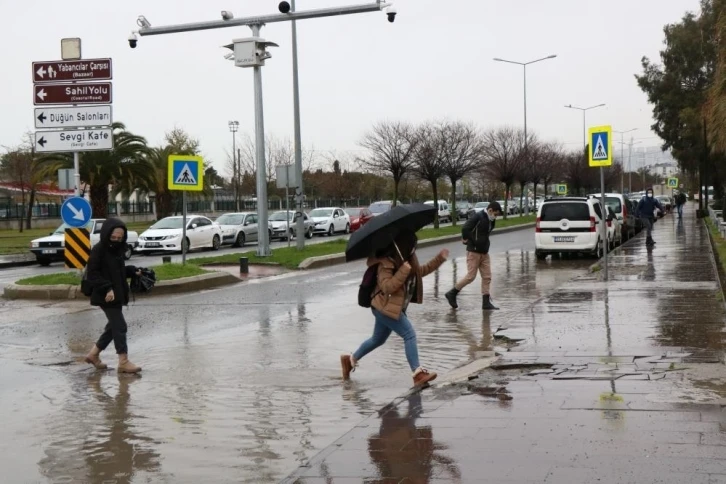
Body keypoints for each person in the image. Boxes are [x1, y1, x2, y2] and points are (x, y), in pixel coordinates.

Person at [340, 231, 449, 387]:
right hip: (384, 307)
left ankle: (349, 360)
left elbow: (420, 272)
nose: (414, 249)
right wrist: (403, 271)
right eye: (412, 246)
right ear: (403, 246)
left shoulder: (406, 259)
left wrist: (439, 259)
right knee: (409, 334)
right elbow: (387, 287)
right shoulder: (385, 264)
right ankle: (417, 373)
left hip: (393, 307)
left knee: (378, 339)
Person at [84, 218, 142, 373]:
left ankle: (93, 355)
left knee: (113, 327)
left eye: (120, 238)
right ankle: (123, 361)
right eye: (113, 237)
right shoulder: (99, 249)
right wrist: (108, 288)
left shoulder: (118, 250)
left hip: (117, 293)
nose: (116, 240)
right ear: (107, 234)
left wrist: (132, 271)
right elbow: (93, 274)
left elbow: (117, 270)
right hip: (105, 295)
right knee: (120, 326)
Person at [444, 201, 503, 310]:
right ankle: (452, 293)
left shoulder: (491, 220)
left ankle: (486, 302)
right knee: (471, 276)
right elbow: (465, 228)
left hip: (484, 252)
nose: (496, 216)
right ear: (490, 210)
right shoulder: (478, 216)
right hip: (474, 252)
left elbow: (485, 233)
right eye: (495, 214)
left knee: (487, 277)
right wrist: (471, 241)